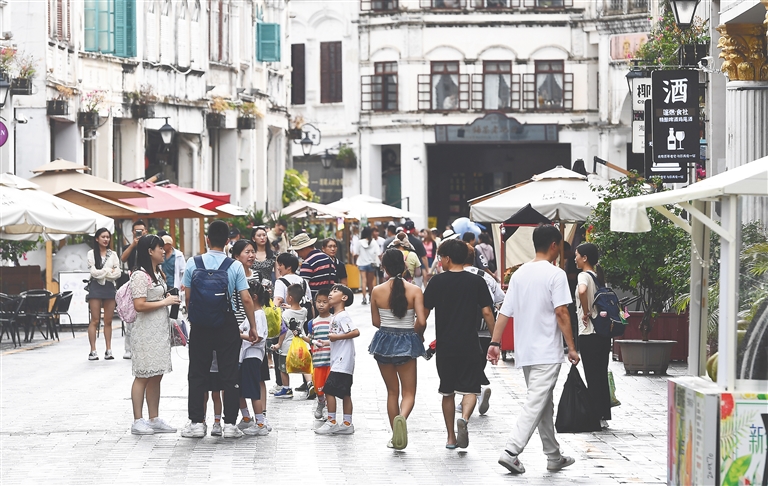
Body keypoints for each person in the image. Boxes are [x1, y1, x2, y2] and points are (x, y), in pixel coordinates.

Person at [488, 224, 580, 474]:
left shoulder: (519, 274)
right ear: (554, 245)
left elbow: (505, 312)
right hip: (546, 351)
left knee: (543, 403)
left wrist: (495, 343)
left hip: (526, 351)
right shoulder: (556, 274)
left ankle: (553, 455)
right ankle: (511, 451)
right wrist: (572, 347)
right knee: (536, 402)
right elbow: (561, 312)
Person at [181, 220, 258, 439]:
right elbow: (246, 298)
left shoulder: (193, 263)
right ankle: (230, 425)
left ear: (207, 239)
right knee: (229, 373)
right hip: (226, 323)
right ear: (227, 242)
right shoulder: (234, 266)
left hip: (201, 326)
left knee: (197, 373)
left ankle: (197, 423)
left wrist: (195, 318)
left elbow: (188, 297)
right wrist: (252, 326)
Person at [423, 239, 495, 449]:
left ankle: (450, 437)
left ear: (447, 258)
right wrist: (495, 340)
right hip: (470, 344)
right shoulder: (477, 281)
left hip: (445, 346)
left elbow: (424, 314)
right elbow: (487, 312)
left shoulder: (437, 282)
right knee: (471, 389)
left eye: (440, 257)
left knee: (447, 392)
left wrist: (418, 334)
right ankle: (464, 418)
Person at [369, 249, 427, 450]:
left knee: (392, 392)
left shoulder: (377, 291)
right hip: (407, 343)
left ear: (384, 267)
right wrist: (417, 335)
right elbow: (421, 321)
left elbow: (376, 322)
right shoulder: (415, 290)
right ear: (404, 266)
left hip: (383, 342)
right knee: (409, 393)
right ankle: (402, 417)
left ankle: (395, 435)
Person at [128, 235, 180, 435]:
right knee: (143, 375)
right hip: (145, 332)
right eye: (160, 248)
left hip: (159, 331)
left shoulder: (157, 273)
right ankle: (137, 420)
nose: (163, 251)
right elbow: (139, 305)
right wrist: (164, 302)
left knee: (156, 375)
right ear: (150, 251)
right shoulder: (139, 275)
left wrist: (166, 297)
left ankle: (154, 418)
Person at [462, 245, 505, 416]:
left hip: (465, 329)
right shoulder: (486, 276)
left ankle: (478, 389)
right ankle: (472, 395)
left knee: (465, 366)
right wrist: (496, 338)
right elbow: (500, 301)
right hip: (485, 329)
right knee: (478, 363)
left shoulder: (457, 276)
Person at [574, 242, 611, 429]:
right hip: (603, 334)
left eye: (577, 255)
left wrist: (586, 311)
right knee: (601, 374)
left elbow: (582, 291)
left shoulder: (583, 276)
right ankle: (603, 415)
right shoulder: (598, 277)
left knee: (592, 375)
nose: (575, 259)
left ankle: (595, 417)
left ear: (585, 258)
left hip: (589, 333)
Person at [314, 285, 359, 435]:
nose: (331, 293)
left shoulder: (342, 316)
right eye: (331, 291)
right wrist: (326, 343)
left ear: (344, 298)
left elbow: (355, 332)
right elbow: (339, 338)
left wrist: (336, 337)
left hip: (342, 361)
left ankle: (332, 421)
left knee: (328, 390)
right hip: (340, 361)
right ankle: (347, 423)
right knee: (345, 393)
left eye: (335, 291)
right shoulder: (335, 317)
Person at [239, 279, 270, 436]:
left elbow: (258, 337)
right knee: (242, 389)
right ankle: (248, 418)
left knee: (253, 391)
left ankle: (260, 423)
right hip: (246, 356)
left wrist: (239, 335)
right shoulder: (251, 315)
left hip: (253, 355)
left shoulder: (258, 315)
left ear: (254, 297)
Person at [86, 228, 121, 361]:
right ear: (97, 239)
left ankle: (108, 349)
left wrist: (105, 272)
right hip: (95, 286)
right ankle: (93, 350)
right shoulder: (91, 254)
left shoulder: (113, 254)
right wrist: (108, 271)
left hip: (109, 287)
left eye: (108, 237)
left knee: (108, 320)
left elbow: (118, 273)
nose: (106, 239)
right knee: (95, 320)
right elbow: (93, 273)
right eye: (103, 237)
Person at [298, 289, 333, 420]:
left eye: (325, 302)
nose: (321, 304)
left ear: (330, 303)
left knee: (329, 388)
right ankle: (320, 402)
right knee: (319, 387)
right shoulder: (312, 323)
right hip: (318, 361)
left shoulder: (333, 320)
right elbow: (310, 339)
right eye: (318, 302)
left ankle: (329, 411)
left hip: (331, 360)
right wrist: (300, 335)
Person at [270, 284, 308, 399]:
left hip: (287, 345)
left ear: (290, 298)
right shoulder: (304, 311)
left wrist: (279, 344)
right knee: (304, 367)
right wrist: (290, 307)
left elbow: (283, 330)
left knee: (283, 369)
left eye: (287, 294)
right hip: (300, 344)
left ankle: (286, 389)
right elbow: (296, 313)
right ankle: (310, 384)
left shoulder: (285, 314)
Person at [120, 220, 148, 360]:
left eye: (141, 231)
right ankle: (128, 348)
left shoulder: (149, 245)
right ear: (132, 232)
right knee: (131, 316)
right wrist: (133, 245)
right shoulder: (129, 247)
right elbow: (123, 258)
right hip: (132, 282)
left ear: (145, 231)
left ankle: (143, 348)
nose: (139, 233)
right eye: (136, 231)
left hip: (147, 281)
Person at [291, 233, 337, 302]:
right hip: (329, 302)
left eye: (298, 252)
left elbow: (302, 287)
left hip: (315, 302)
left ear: (304, 248)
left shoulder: (308, 263)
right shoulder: (328, 259)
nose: (299, 255)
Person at [355, 227, 381, 305]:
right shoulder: (374, 242)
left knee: (364, 281)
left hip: (362, 263)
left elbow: (356, 253)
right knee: (370, 282)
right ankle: (370, 297)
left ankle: (364, 298)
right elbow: (378, 253)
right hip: (371, 264)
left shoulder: (359, 242)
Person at [204, 352, 223, 436]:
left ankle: (217, 422)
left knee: (216, 395)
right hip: (204, 368)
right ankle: (202, 421)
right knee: (204, 396)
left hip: (216, 368)